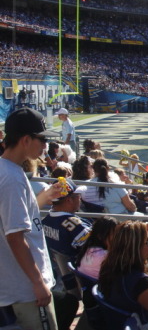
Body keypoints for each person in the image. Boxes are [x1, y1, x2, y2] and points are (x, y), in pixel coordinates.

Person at [0, 108, 60, 330]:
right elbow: (15, 236)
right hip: (26, 288)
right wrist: (37, 282)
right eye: (42, 139)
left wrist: (46, 196)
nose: (45, 146)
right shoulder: (12, 178)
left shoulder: (8, 171)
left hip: (19, 283)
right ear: (26, 140)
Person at [42, 178, 92, 258]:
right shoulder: (77, 227)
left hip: (58, 268)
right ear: (69, 200)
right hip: (77, 268)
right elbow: (98, 251)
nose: (80, 199)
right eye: (78, 196)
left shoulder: (45, 221)